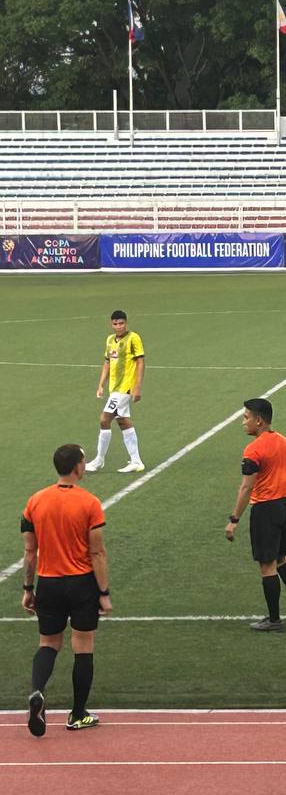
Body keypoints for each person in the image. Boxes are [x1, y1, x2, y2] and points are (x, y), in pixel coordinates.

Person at [21, 444, 112, 735]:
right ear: (77, 467)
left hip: (48, 582)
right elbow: (97, 553)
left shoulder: (35, 501)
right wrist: (104, 592)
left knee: (48, 644)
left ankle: (37, 692)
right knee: (83, 646)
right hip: (81, 583)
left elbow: (29, 552)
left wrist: (28, 588)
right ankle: (78, 714)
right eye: (83, 462)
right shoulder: (89, 503)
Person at [225, 398, 286, 632]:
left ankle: (274, 620)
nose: (243, 422)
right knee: (282, 559)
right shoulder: (285, 442)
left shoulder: (254, 449)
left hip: (266, 508)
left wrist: (233, 520)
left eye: (246, 417)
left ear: (259, 420)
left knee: (267, 565)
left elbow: (246, 488)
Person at [86, 309, 145, 473]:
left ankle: (99, 460)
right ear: (111, 324)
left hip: (125, 387)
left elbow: (140, 362)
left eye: (121, 323)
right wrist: (101, 384)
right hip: (114, 388)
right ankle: (136, 461)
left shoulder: (133, 338)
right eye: (115, 324)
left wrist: (137, 387)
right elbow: (107, 363)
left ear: (126, 323)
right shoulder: (110, 340)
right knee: (123, 420)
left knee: (104, 419)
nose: (118, 326)